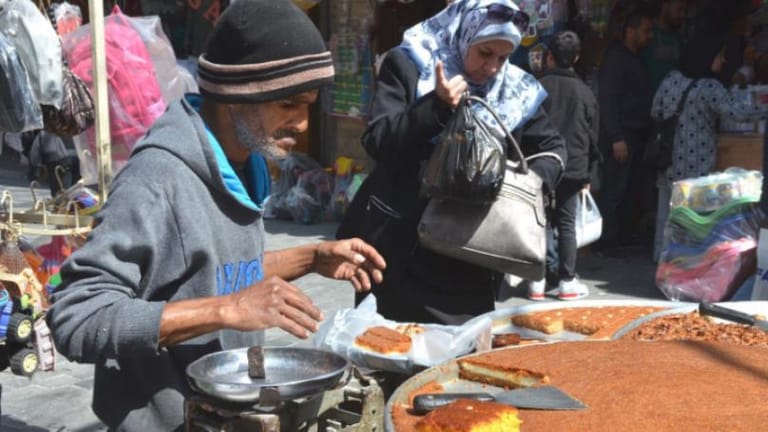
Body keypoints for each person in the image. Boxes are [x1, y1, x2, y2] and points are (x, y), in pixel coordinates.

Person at [45, 1, 386, 430]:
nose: (302, 124)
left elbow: (217, 272)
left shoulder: (245, 164)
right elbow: (76, 316)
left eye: (309, 106)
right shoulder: (157, 179)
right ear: (236, 96)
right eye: (288, 104)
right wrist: (227, 309)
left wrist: (312, 257)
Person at [337, 0, 566, 324]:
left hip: (470, 252)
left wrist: (520, 184)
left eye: (503, 58)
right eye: (485, 53)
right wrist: (436, 107)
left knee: (464, 346)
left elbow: (551, 147)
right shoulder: (411, 65)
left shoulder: (513, 90)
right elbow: (378, 140)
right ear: (463, 34)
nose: (492, 68)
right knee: (390, 344)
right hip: (399, 248)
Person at [652, 33, 768, 261]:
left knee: (666, 212)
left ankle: (661, 257)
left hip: (668, 158)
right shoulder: (709, 87)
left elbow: (655, 110)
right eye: (719, 56)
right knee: (692, 219)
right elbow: (738, 112)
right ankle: (682, 263)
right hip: (695, 166)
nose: (723, 61)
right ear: (706, 56)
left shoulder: (671, 79)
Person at [528, 30, 600, 301]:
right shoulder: (585, 92)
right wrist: (589, 172)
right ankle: (567, 281)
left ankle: (537, 281)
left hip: (539, 164)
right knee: (567, 223)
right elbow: (592, 135)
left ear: (549, 57)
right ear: (576, 58)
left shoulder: (537, 87)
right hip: (573, 165)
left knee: (540, 221)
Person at [596, 11, 654, 253]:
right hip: (621, 135)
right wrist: (616, 137)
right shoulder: (617, 59)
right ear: (630, 31)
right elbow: (607, 99)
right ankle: (606, 241)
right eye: (645, 31)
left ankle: (622, 235)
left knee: (630, 189)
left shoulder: (636, 59)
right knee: (614, 189)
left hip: (636, 133)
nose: (649, 36)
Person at [642, 0, 687, 92]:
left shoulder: (679, 38)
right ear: (665, 6)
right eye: (679, 9)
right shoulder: (646, 33)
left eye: (685, 10)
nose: (683, 15)